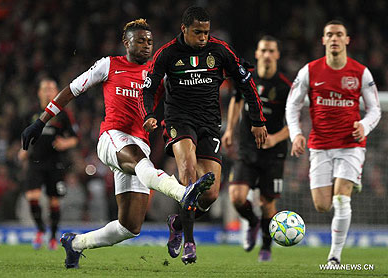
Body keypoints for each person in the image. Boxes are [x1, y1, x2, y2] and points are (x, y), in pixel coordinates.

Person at [21, 19, 214, 269]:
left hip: (139, 145)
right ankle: (182, 192)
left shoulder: (158, 73)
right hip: (113, 137)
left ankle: (75, 243)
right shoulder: (109, 65)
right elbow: (71, 89)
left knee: (130, 227)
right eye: (140, 40)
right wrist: (41, 120)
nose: (146, 45)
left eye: (150, 41)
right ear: (126, 42)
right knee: (141, 163)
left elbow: (178, 103)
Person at [140, 6, 267, 264]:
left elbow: (246, 82)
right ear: (184, 29)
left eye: (206, 32)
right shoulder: (167, 53)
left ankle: (177, 224)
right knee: (188, 173)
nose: (203, 38)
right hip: (178, 120)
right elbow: (150, 85)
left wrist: (257, 119)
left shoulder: (219, 51)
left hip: (209, 124)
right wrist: (149, 114)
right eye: (197, 32)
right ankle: (189, 243)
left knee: (209, 194)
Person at [286, 20, 381, 265]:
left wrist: (365, 125)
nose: (335, 38)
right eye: (330, 34)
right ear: (323, 40)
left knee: (341, 198)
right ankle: (350, 182)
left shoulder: (360, 72)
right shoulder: (310, 71)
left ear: (347, 40)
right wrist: (296, 133)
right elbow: (292, 104)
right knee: (322, 205)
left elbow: (375, 110)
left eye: (339, 34)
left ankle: (334, 257)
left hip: (351, 144)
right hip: (320, 146)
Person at [222, 36, 291, 262]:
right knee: (236, 197)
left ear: (277, 55)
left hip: (273, 153)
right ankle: (251, 221)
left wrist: (274, 138)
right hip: (247, 148)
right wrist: (230, 130)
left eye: (272, 50)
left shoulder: (285, 87)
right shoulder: (246, 79)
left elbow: (295, 122)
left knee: (267, 203)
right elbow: (236, 101)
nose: (268, 54)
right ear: (258, 54)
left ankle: (266, 247)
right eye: (264, 50)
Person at [18, 78, 79, 250]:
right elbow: (25, 135)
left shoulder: (64, 114)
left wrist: (65, 143)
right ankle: (40, 229)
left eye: (52, 88)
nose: (48, 91)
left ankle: (52, 236)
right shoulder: (31, 113)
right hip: (35, 161)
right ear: (39, 92)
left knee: (54, 200)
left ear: (57, 92)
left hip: (55, 162)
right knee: (32, 196)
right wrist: (23, 150)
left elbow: (75, 137)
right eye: (45, 88)